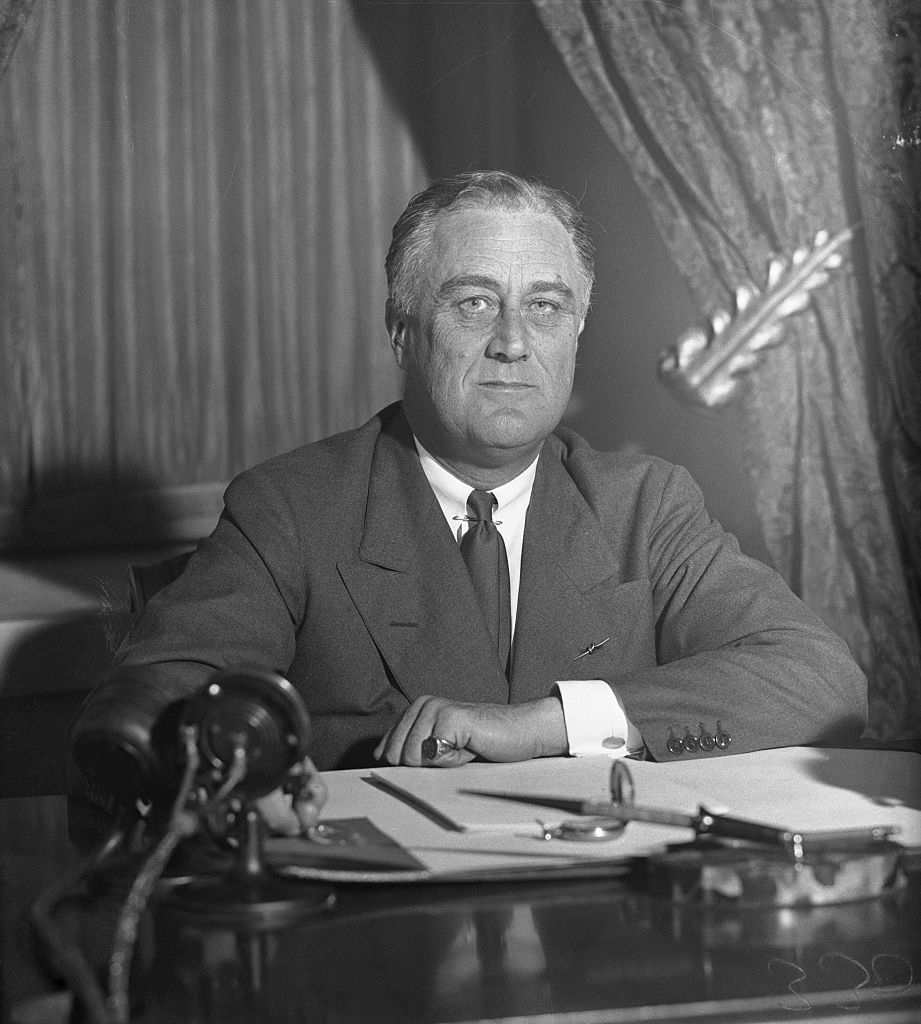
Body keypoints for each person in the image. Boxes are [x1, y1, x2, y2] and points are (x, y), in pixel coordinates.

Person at [73, 170, 866, 795]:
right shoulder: (293, 507)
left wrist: (543, 723)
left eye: (546, 307)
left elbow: (822, 682)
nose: (513, 342)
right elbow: (158, 701)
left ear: (578, 330)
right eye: (474, 302)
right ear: (400, 329)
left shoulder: (643, 505)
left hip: (595, 931)